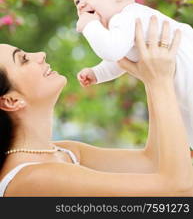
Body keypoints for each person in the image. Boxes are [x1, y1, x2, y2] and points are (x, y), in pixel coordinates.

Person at [0, 16, 192, 197]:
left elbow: (153, 163)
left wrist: (151, 79)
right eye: (23, 59)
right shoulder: (34, 179)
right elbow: (178, 191)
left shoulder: (65, 152)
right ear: (11, 101)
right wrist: (160, 82)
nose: (40, 55)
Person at [71, 0, 193, 148]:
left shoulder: (127, 16)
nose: (80, 4)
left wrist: (89, 26)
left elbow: (112, 51)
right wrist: (97, 73)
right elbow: (119, 60)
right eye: (77, 1)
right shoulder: (123, 28)